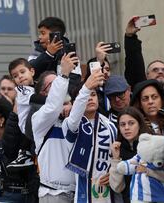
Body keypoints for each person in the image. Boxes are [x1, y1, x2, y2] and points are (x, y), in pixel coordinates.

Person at [63, 68, 117, 202]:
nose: (90, 99)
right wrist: (86, 88)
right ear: (76, 103)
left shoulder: (110, 125)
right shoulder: (70, 123)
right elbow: (74, 118)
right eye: (86, 96)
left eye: (92, 95)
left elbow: (116, 155)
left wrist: (113, 174)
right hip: (83, 195)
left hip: (108, 194)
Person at [32, 52, 78, 203]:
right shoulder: (39, 119)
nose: (61, 86)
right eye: (54, 84)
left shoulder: (74, 115)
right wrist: (63, 74)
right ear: (43, 93)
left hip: (80, 193)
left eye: (60, 82)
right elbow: (52, 106)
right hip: (53, 195)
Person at [28, 17, 81, 92]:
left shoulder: (69, 53)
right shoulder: (37, 51)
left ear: (55, 35)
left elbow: (74, 80)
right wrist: (48, 54)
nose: (39, 37)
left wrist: (60, 96)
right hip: (41, 98)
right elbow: (30, 72)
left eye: (43, 33)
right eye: (39, 33)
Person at [123, 17, 164, 87]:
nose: (160, 72)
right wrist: (130, 37)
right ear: (147, 76)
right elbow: (134, 64)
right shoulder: (142, 91)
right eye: (155, 70)